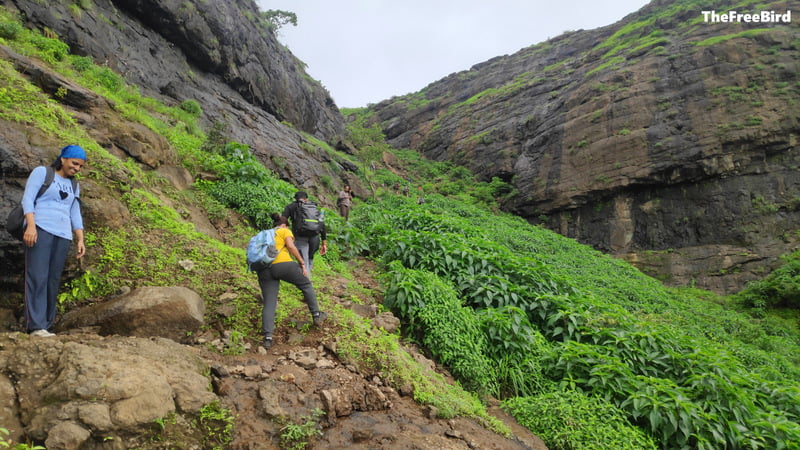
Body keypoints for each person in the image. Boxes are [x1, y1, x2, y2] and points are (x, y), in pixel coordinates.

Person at [22, 145, 87, 337]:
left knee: (52, 280)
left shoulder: (74, 185)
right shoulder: (43, 172)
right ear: (63, 159)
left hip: (63, 235)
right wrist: (31, 226)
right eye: (74, 164)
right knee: (37, 276)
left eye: (80, 166)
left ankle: (46, 326)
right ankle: (36, 326)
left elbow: (74, 211)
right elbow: (28, 199)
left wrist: (80, 238)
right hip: (41, 228)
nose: (76, 169)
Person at [256, 213, 327, 349]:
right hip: (283, 265)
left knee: (269, 303)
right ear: (284, 225)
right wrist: (301, 263)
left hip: (263, 269)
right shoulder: (284, 230)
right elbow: (290, 246)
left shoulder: (263, 234)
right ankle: (317, 315)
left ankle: (268, 338)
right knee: (306, 284)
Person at [282, 191, 327, 277]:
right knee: (309, 259)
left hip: (300, 237)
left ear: (295, 199)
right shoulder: (313, 207)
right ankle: (306, 281)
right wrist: (324, 242)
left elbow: (283, 221)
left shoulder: (291, 206)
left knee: (303, 261)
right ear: (307, 199)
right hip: (315, 237)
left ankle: (306, 283)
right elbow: (322, 224)